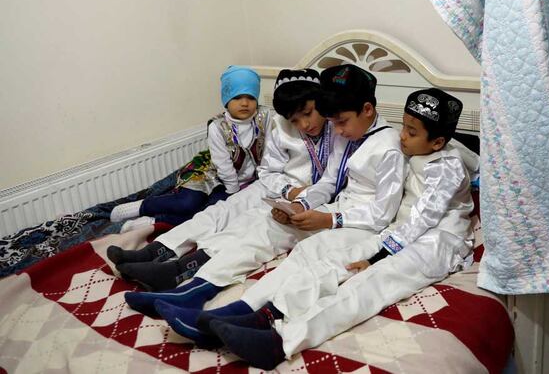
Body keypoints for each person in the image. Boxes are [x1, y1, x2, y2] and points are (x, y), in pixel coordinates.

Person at [170, 88, 478, 370]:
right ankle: (263, 314)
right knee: (327, 263)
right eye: (404, 127)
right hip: (397, 231)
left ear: (437, 141)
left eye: (411, 132)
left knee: (367, 284)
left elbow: (423, 217)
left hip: (436, 242)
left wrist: (377, 257)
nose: (402, 136)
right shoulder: (416, 149)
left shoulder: (446, 167)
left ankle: (282, 341)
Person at [133, 64, 406, 345]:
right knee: (269, 226)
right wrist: (299, 205)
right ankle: (195, 291)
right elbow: (328, 182)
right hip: (334, 209)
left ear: (368, 110)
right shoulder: (346, 134)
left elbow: (382, 214)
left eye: (341, 121)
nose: (335, 128)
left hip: (359, 221)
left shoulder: (389, 147)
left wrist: (327, 220)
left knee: (307, 255)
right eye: (332, 121)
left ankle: (238, 313)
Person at [106, 68, 335, 291]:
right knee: (220, 211)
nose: (304, 124)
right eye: (295, 120)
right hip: (277, 186)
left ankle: (180, 269)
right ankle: (157, 250)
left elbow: (337, 181)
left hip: (309, 198)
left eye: (308, 113)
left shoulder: (340, 128)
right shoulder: (281, 125)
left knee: (250, 227)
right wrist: (286, 190)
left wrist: (300, 198)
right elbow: (268, 169)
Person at [109, 65, 269, 231]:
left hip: (246, 181)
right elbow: (223, 164)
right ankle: (141, 207)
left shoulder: (264, 117)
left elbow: (269, 150)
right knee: (188, 203)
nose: (244, 103)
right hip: (212, 175)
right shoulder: (217, 126)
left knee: (212, 213)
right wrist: (233, 193)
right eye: (237, 97)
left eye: (250, 97)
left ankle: (153, 222)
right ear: (226, 99)